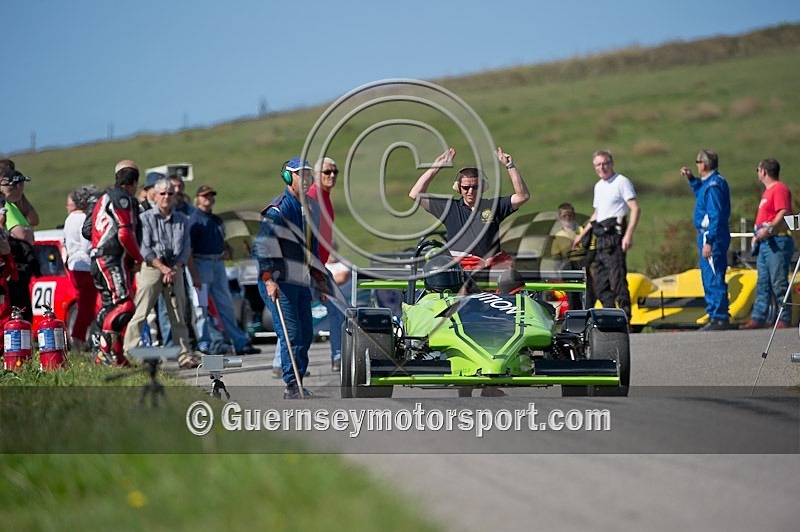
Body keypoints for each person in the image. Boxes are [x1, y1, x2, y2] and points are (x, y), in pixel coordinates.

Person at [253, 158, 328, 399]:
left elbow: (312, 248)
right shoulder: (278, 210)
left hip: (301, 280)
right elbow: (261, 247)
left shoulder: (312, 209)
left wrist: (320, 278)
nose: (306, 179)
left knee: (306, 333)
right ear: (288, 178)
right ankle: (292, 385)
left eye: (308, 175)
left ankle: (299, 381)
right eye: (300, 175)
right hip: (278, 280)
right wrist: (268, 279)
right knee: (292, 333)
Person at [408, 147, 530, 270]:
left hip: (493, 268)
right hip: (462, 272)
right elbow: (415, 194)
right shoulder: (450, 208)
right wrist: (436, 167)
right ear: (459, 188)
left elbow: (522, 196)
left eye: (475, 187)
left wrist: (510, 165)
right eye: (466, 187)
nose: (470, 191)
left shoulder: (493, 206)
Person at [123, 178, 198, 368]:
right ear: (155, 196)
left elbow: (185, 248)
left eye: (170, 193)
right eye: (162, 194)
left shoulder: (183, 220)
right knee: (142, 311)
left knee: (178, 314)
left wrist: (175, 268)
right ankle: (129, 352)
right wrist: (162, 268)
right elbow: (145, 248)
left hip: (175, 269)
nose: (166, 197)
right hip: (152, 268)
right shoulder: (145, 218)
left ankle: (184, 355)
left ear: (175, 197)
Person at [187, 185, 260, 356]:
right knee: (201, 307)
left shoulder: (216, 220)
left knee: (225, 304)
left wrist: (227, 250)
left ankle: (239, 342)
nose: (208, 199)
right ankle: (205, 344)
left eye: (211, 196)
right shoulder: (194, 221)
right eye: (205, 196)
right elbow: (188, 251)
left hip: (217, 263)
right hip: (200, 263)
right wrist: (194, 274)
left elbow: (222, 240)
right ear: (197, 198)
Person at [84, 160, 144, 365]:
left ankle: (116, 357)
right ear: (134, 182)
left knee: (111, 307)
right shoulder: (122, 198)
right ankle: (103, 352)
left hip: (100, 258)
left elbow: (87, 229)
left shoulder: (103, 197)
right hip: (109, 258)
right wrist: (138, 256)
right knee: (125, 306)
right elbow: (125, 233)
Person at [572, 150, 640, 320]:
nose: (602, 168)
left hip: (615, 237)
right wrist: (582, 234)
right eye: (598, 165)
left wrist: (628, 235)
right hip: (600, 238)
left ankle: (626, 318)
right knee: (601, 285)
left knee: (617, 281)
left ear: (611, 164)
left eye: (605, 163)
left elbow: (635, 208)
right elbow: (597, 213)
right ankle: (612, 318)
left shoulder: (621, 182)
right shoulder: (599, 186)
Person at [680, 149, 731, 331]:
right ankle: (714, 314)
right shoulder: (709, 183)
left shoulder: (713, 186)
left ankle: (719, 317)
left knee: (713, 276)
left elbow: (714, 215)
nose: (697, 165)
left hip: (712, 236)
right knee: (709, 275)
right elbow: (701, 195)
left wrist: (709, 240)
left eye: (698, 162)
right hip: (710, 235)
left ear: (705, 164)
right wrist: (692, 179)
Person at [742, 158, 793, 329]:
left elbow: (783, 211)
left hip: (777, 241)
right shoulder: (767, 192)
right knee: (763, 281)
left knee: (778, 281)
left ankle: (784, 318)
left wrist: (770, 228)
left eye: (758, 169)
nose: (757, 173)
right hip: (764, 243)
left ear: (764, 171)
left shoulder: (779, 189)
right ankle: (759, 317)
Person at [308, 156, 344, 371]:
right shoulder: (313, 197)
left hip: (320, 266)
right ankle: (338, 356)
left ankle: (338, 356)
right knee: (299, 313)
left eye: (334, 172)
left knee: (337, 309)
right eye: (326, 173)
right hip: (310, 267)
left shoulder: (326, 198)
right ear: (316, 175)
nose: (331, 176)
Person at [62, 185, 100, 351]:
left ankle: (80, 337)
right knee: (87, 306)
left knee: (83, 304)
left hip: (74, 264)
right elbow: (87, 245)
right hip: (85, 265)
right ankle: (78, 339)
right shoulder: (84, 218)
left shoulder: (70, 218)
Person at [1, 168, 40, 322]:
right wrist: (27, 232)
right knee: (18, 306)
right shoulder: (7, 207)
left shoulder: (13, 206)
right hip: (15, 265)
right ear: (18, 186)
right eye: (22, 186)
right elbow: (23, 234)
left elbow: (33, 221)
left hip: (17, 265)